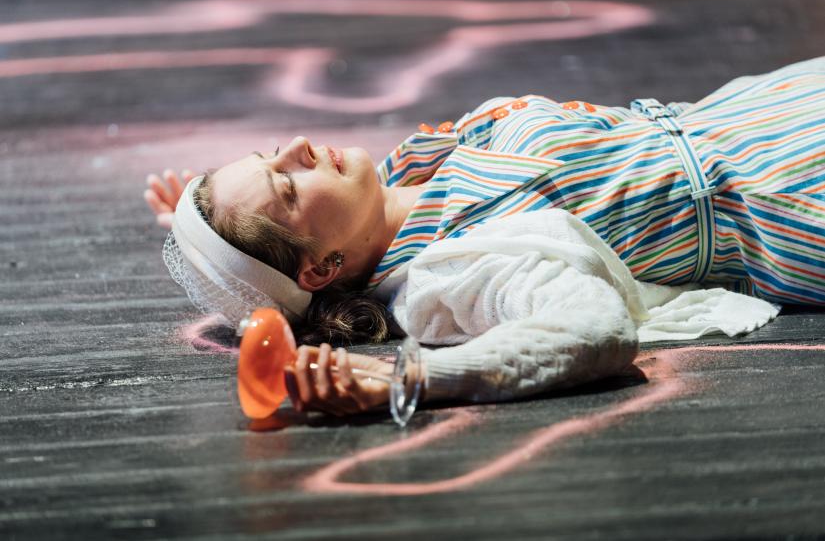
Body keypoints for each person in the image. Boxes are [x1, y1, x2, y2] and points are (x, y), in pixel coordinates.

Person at [146, 56, 824, 417]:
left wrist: (216, 229)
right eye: (286, 191)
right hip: (790, 191)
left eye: (270, 155)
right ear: (320, 270)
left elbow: (260, 264)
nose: (295, 144)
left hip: (771, 105)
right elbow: (591, 328)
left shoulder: (397, 179)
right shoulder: (451, 273)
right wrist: (406, 379)